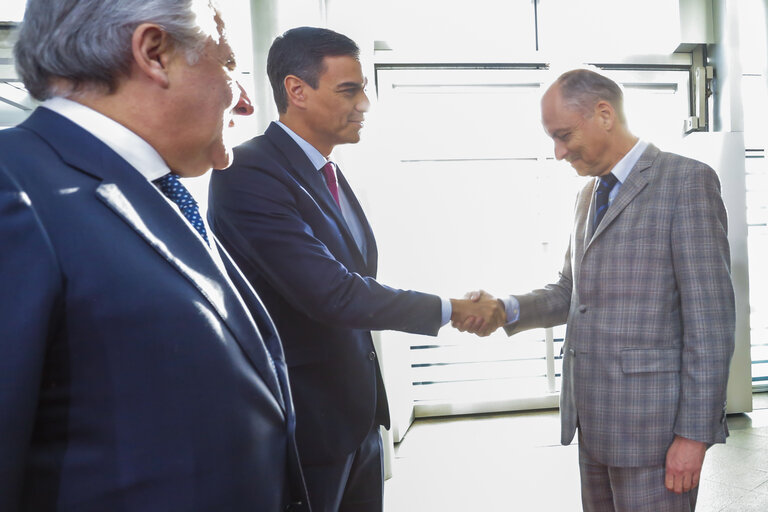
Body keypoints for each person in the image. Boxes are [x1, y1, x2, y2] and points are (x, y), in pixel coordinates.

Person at [0, 1, 307, 510]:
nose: (248, 102)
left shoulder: (152, 190)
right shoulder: (13, 191)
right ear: (154, 53)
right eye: (229, 64)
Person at [208, 26, 505, 511]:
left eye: (362, 88)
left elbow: (354, 279)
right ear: (296, 91)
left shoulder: (328, 170)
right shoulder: (248, 172)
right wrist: (450, 308)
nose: (364, 103)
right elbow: (333, 293)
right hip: (305, 428)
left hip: (357, 420)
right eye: (349, 89)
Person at [462, 69, 735, 511]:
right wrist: (504, 309)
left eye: (564, 134)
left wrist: (694, 435)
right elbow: (572, 292)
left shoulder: (685, 181)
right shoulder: (587, 195)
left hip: (655, 432)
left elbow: (711, 322)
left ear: (604, 114)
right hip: (594, 419)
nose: (557, 151)